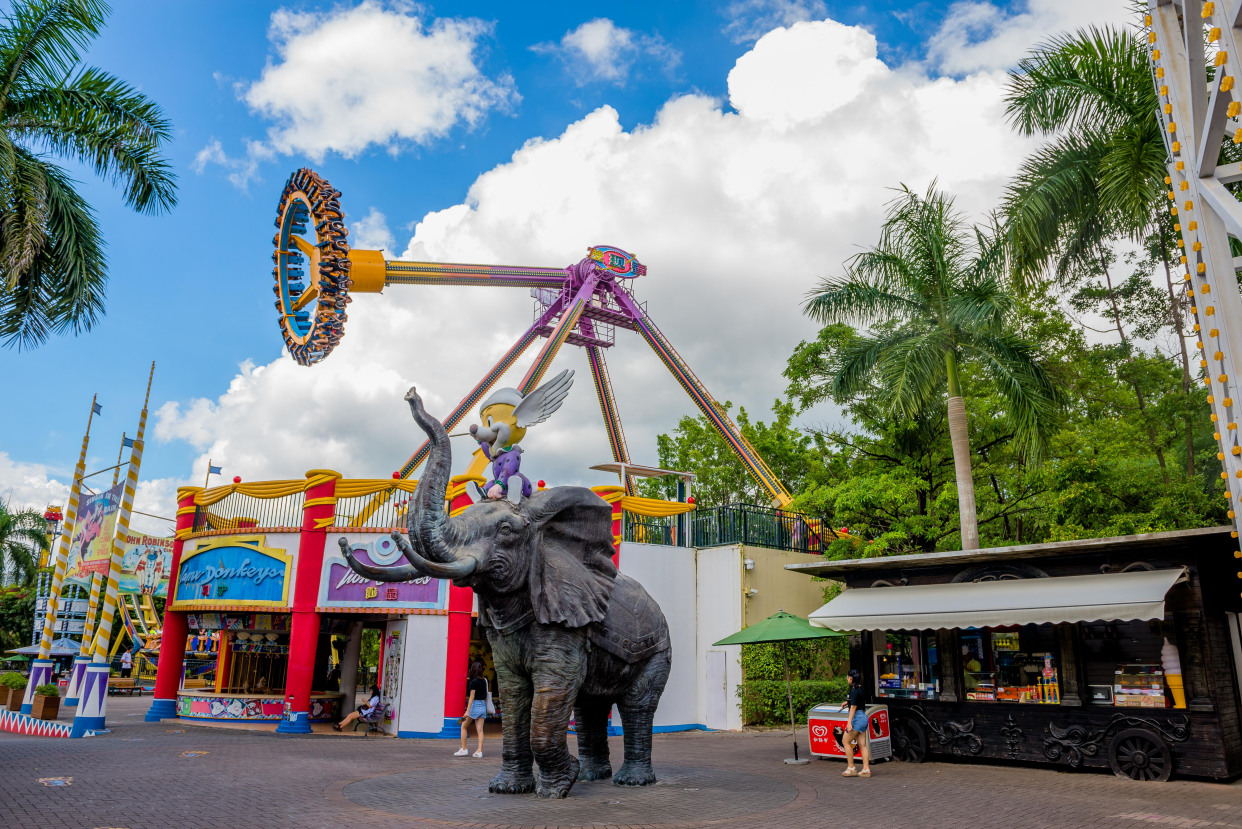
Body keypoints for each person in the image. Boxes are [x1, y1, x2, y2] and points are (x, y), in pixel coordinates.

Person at [839, 669, 871, 778]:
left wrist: (849, 723)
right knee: (863, 745)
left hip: (857, 718)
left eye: (847, 677)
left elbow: (853, 707)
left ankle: (851, 768)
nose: (847, 679)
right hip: (863, 717)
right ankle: (866, 769)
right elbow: (856, 701)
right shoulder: (861, 688)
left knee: (845, 741)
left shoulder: (853, 690)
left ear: (851, 678)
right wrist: (846, 702)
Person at [454, 661, 488, 758]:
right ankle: (479, 751)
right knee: (480, 730)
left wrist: (467, 711)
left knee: (463, 726)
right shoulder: (484, 680)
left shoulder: (474, 682)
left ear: (472, 670)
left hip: (475, 705)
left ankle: (464, 749)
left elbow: (472, 697)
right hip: (483, 706)